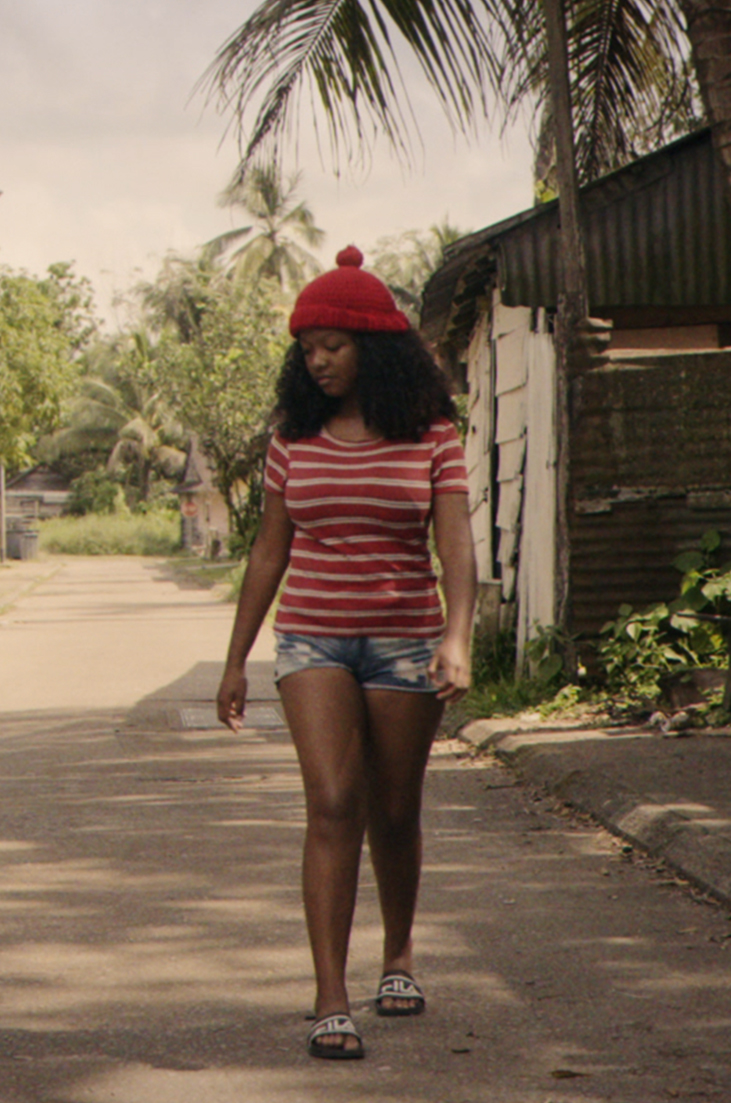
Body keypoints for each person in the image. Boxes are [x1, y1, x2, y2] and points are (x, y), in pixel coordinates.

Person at [216, 246, 477, 1061]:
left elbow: (457, 546)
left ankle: (396, 956)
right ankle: (331, 996)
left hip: (404, 641)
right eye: (306, 348)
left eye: (331, 344)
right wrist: (235, 660)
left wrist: (456, 637)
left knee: (395, 810)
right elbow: (268, 551)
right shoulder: (292, 438)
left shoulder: (432, 436)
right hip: (313, 639)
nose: (317, 360)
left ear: (375, 346)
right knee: (333, 802)